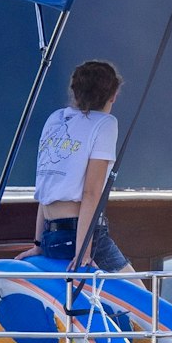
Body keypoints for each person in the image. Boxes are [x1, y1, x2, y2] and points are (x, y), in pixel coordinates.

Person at [34, 59, 129, 270]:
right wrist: (83, 253)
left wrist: (38, 244)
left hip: (50, 238)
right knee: (141, 291)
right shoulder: (105, 124)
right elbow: (91, 193)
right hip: (78, 236)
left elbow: (47, 185)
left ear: (75, 92)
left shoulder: (55, 120)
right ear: (113, 96)